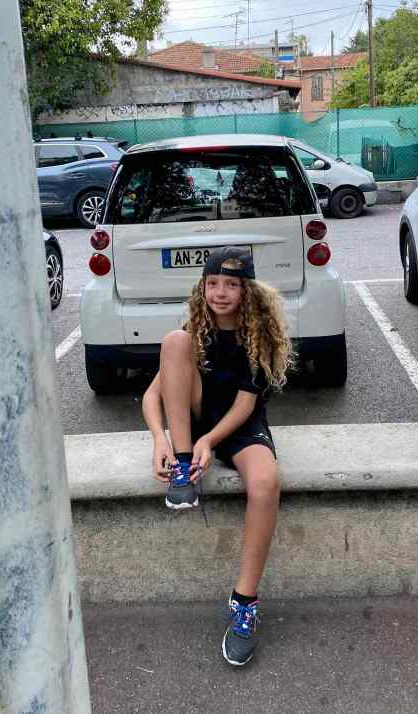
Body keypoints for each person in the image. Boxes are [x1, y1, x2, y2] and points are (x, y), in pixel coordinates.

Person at [142, 246, 293, 667]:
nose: (220, 293)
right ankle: (183, 467)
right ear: (202, 287)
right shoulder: (194, 333)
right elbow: (152, 396)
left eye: (231, 285)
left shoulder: (259, 337)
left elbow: (245, 406)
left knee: (265, 483)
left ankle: (244, 604)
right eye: (212, 283)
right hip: (194, 428)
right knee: (174, 341)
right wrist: (159, 441)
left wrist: (210, 441)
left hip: (238, 426)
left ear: (247, 291)